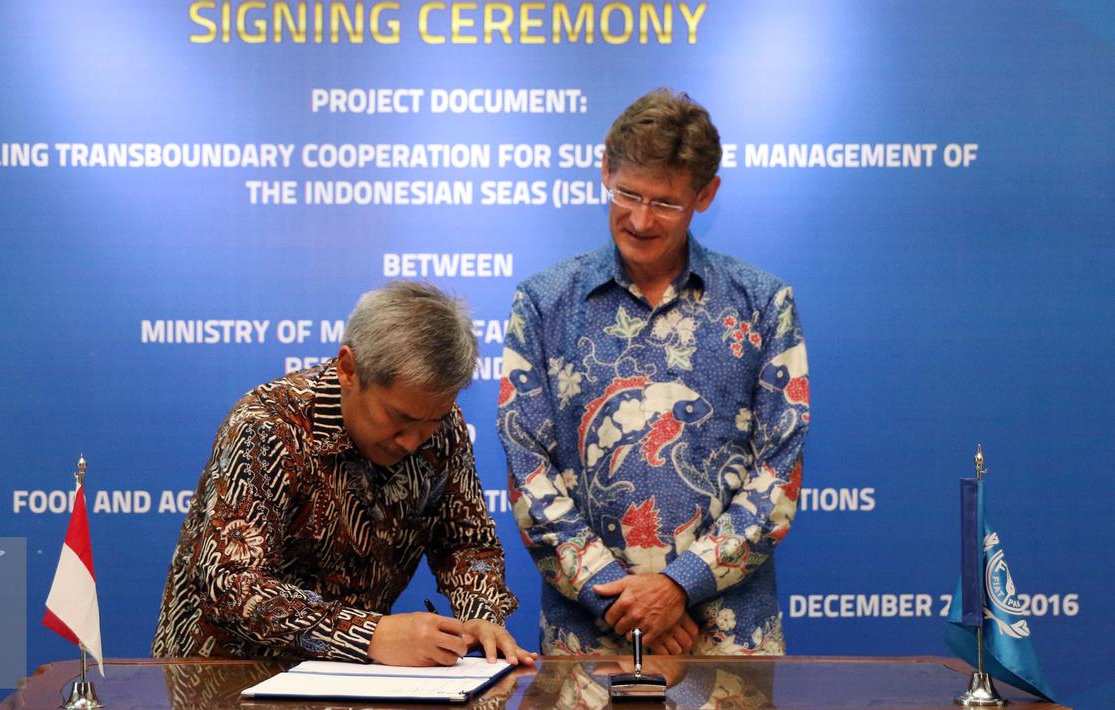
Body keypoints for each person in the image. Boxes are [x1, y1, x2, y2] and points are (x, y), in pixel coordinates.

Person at [497, 88, 808, 656]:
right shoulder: (543, 305)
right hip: (588, 640)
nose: (640, 220)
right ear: (604, 170)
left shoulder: (763, 304)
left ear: (706, 195)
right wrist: (622, 601)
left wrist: (677, 585)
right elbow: (528, 471)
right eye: (626, 194)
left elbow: (778, 474)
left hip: (725, 639)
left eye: (665, 203)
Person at [153, 281, 536, 667]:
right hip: (225, 675)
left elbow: (465, 544)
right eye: (399, 419)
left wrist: (481, 617)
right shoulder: (268, 424)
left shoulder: (444, 428)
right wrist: (370, 634)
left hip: (349, 678)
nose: (412, 441)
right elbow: (230, 584)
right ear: (348, 369)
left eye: (430, 423)